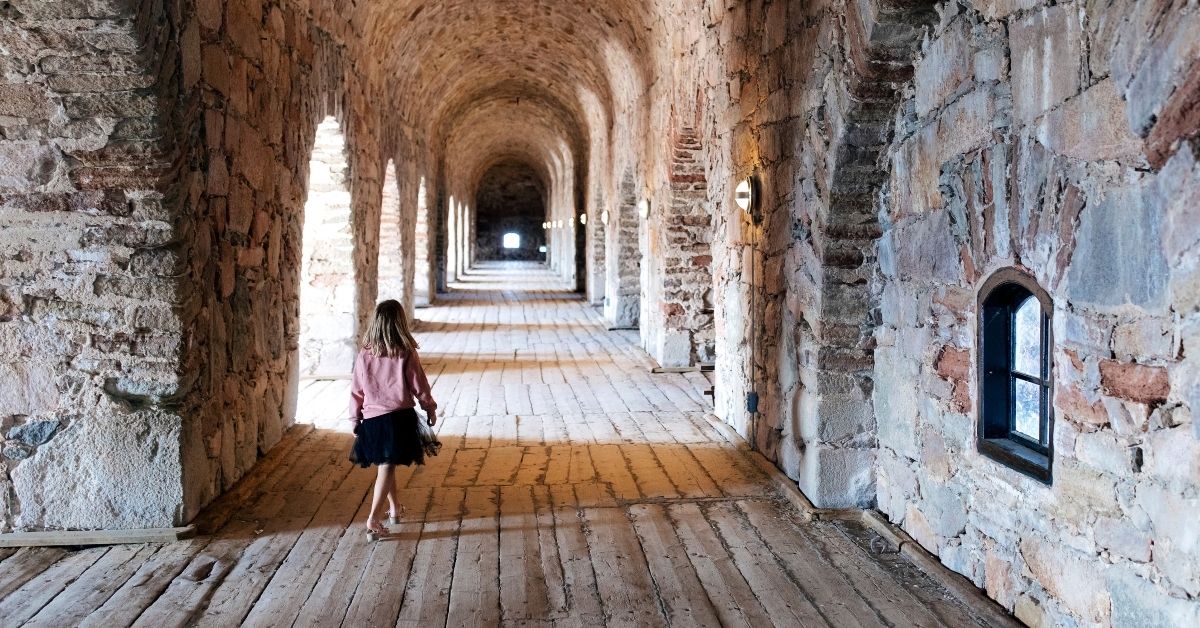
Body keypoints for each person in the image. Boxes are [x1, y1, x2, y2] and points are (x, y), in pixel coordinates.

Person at [349, 299, 437, 540]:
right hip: (398, 418)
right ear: (400, 323)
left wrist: (355, 417)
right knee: (388, 465)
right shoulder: (405, 351)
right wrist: (429, 407)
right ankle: (373, 519)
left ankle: (396, 509)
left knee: (387, 464)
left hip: (374, 419)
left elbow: (356, 389)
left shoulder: (365, 353)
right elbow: (419, 384)